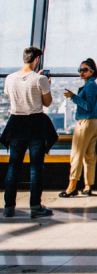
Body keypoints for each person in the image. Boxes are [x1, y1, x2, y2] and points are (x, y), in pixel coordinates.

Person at [1, 47, 59, 218]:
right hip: (35, 124)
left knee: (13, 167)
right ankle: (35, 206)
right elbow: (47, 103)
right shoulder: (40, 79)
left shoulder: (9, 79)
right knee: (36, 168)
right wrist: (46, 83)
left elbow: (12, 99)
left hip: (16, 123)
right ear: (37, 60)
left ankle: (9, 207)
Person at [60, 58, 97, 197]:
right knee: (89, 155)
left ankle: (72, 187)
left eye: (84, 70)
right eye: (80, 70)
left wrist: (74, 97)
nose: (81, 72)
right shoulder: (91, 85)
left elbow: (88, 105)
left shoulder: (90, 86)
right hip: (93, 123)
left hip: (85, 122)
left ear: (92, 71)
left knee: (76, 154)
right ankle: (88, 186)